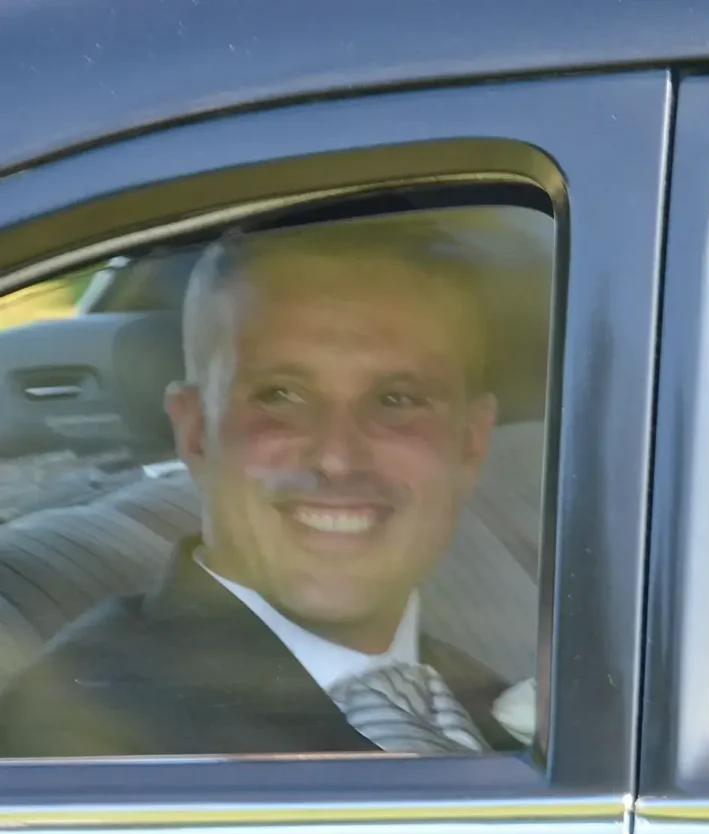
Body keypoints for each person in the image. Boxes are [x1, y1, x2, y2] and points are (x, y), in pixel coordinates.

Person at [0, 218, 517, 757]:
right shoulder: (89, 737)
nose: (337, 457)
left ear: (471, 444)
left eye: (397, 400)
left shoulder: (497, 696)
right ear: (196, 433)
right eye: (280, 395)